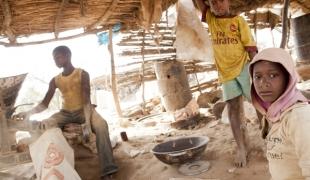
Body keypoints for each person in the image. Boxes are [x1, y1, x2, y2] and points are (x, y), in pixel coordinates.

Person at [17, 46, 118, 180]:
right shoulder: (55, 80)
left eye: (58, 57)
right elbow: (44, 104)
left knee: (101, 126)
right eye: (54, 58)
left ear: (68, 56)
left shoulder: (82, 73)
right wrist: (28, 113)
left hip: (84, 110)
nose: (56, 61)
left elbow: (86, 99)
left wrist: (87, 123)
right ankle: (51, 166)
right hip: (65, 113)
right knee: (44, 125)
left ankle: (108, 169)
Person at [194, 0, 258, 167]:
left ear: (228, 1)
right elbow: (200, 4)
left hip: (243, 67)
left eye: (220, 1)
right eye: (213, 2)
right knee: (233, 109)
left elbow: (251, 48)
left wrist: (257, 72)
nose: (217, 6)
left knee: (259, 104)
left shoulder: (238, 21)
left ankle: (270, 139)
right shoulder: (211, 19)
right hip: (226, 73)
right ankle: (241, 148)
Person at [249, 47, 310, 179]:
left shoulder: (300, 118)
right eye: (257, 77)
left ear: (288, 78)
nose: (263, 83)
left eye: (273, 75)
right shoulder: (273, 114)